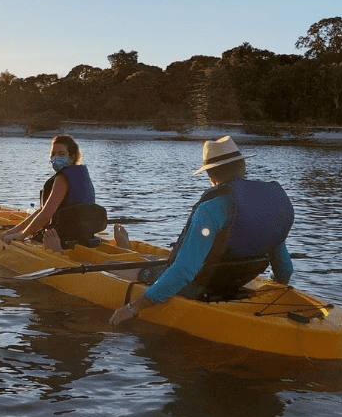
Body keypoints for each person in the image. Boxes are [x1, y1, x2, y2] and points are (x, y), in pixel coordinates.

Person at [109, 136, 295, 326]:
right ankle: (128, 250)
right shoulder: (263, 208)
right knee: (153, 260)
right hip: (235, 282)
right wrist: (276, 293)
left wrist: (133, 307)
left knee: (126, 266)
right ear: (243, 168)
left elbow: (183, 273)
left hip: (198, 287)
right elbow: (285, 268)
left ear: (212, 178)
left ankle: (127, 257)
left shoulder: (209, 210)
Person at [1, 134, 104, 251]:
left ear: (72, 157)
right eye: (53, 154)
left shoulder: (62, 178)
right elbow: (44, 211)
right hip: (84, 236)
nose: (56, 158)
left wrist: (22, 236)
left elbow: (45, 215)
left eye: (61, 154)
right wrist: (13, 230)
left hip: (62, 238)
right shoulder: (82, 174)